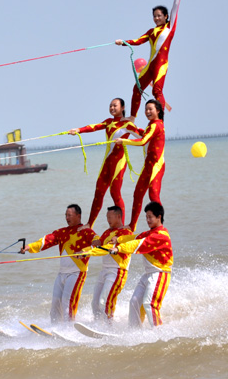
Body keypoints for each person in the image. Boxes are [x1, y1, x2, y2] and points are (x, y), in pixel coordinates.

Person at [67, 98, 143, 229]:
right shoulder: (108, 122)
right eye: (110, 106)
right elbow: (94, 127)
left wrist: (126, 141)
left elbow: (143, 138)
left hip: (119, 162)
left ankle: (122, 226)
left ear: (123, 108)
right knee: (99, 192)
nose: (112, 108)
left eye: (115, 106)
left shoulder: (128, 125)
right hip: (106, 162)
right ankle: (89, 224)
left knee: (115, 192)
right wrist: (78, 130)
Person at [116, 0, 184, 119]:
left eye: (159, 16)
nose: (156, 18)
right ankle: (132, 117)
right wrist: (123, 42)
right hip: (150, 65)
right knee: (137, 89)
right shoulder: (151, 31)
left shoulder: (169, 27)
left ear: (166, 16)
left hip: (161, 64)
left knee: (157, 90)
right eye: (154, 16)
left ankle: (160, 120)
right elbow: (137, 41)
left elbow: (175, 8)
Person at [20, 204, 97, 323]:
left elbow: (97, 242)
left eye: (69, 215)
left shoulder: (86, 231)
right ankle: (55, 329)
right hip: (61, 274)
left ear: (78, 216)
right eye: (65, 215)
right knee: (55, 303)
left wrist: (85, 251)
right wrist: (29, 247)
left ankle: (69, 329)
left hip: (76, 274)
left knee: (67, 303)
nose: (67, 218)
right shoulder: (62, 232)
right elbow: (46, 240)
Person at [108, 201, 173, 327]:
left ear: (159, 217)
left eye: (150, 217)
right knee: (134, 302)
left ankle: (159, 332)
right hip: (149, 274)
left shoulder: (161, 235)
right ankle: (134, 332)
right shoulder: (150, 233)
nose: (148, 220)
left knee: (150, 304)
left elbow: (138, 244)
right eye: (146, 217)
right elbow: (135, 238)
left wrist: (119, 248)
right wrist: (119, 239)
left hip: (160, 274)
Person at [115, 99, 166, 232]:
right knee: (137, 194)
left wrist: (123, 141)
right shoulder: (152, 125)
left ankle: (160, 227)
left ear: (158, 111)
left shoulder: (157, 125)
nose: (147, 112)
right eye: (146, 109)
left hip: (156, 166)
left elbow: (143, 141)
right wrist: (131, 127)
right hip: (147, 166)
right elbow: (144, 134)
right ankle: (132, 225)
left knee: (153, 196)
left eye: (151, 109)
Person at [87, 206, 134, 322]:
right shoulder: (107, 232)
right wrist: (93, 244)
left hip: (117, 271)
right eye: (107, 217)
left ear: (118, 217)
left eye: (110, 217)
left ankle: (108, 327)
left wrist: (87, 253)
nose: (107, 220)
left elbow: (107, 248)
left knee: (105, 301)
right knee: (95, 303)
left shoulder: (126, 233)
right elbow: (99, 246)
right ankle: (97, 325)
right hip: (104, 270)